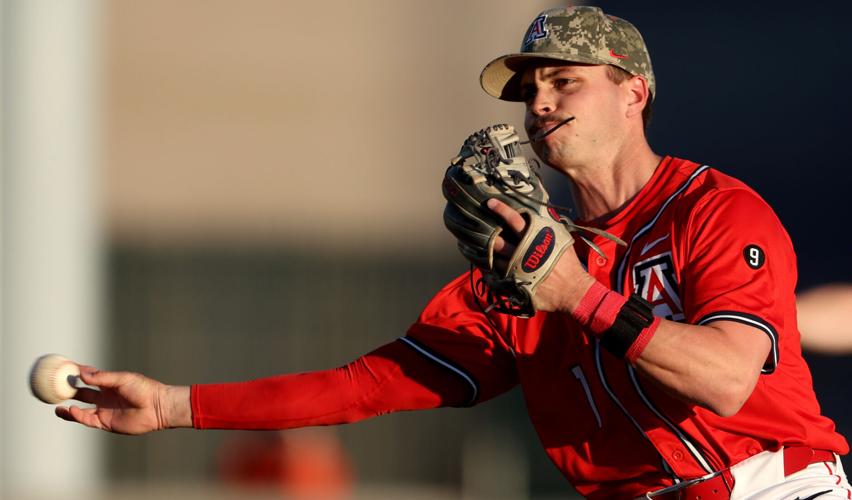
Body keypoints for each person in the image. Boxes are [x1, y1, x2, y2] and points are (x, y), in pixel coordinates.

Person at [55, 6, 849, 499]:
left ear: (633, 92)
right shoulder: (520, 268)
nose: (539, 103)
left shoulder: (713, 211)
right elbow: (362, 387)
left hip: (772, 487)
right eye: (529, 90)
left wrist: (577, 294)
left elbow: (727, 381)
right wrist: (173, 406)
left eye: (563, 81)